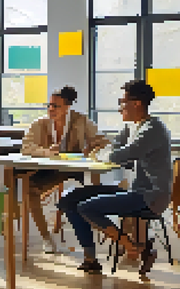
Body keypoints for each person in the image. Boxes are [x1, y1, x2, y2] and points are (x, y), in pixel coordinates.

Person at [57, 80, 172, 274]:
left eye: (122, 102)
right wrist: (102, 152)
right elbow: (111, 148)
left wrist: (98, 154)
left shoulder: (153, 129)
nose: (119, 108)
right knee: (69, 200)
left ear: (136, 103)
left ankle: (133, 246)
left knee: (87, 207)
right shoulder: (131, 128)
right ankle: (91, 259)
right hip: (133, 191)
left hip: (150, 196)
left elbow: (118, 155)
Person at [21, 86, 109, 253]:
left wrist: (91, 150)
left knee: (93, 192)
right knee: (30, 190)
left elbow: (102, 142)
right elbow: (26, 148)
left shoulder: (81, 121)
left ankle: (102, 230)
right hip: (51, 171)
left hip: (77, 169)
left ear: (68, 107)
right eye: (49, 105)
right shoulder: (40, 124)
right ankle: (46, 238)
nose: (51, 109)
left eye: (56, 106)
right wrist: (46, 152)